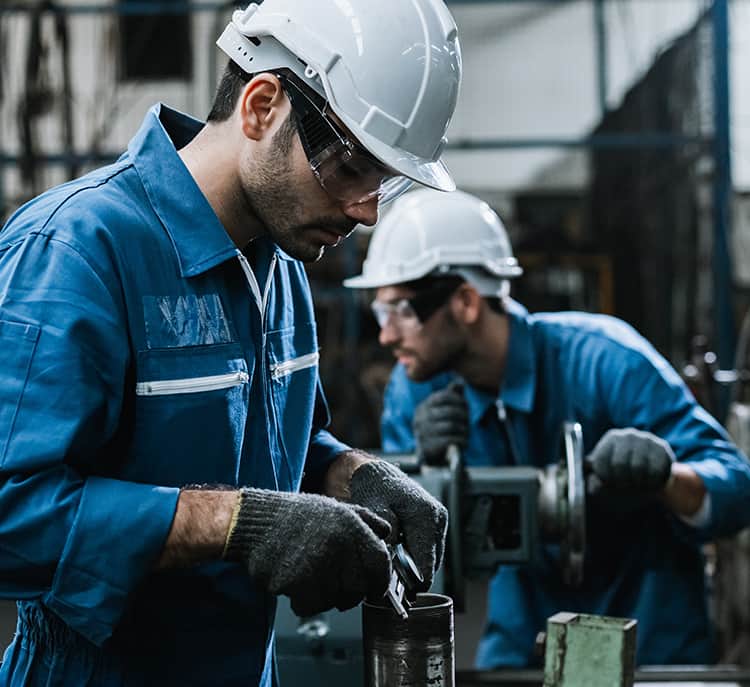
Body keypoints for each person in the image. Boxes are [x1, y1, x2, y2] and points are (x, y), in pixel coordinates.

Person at [0, 2, 462, 685]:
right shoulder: (76, 251)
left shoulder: (279, 260)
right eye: (351, 166)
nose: (367, 210)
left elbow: (269, 444)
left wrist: (351, 473)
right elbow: (11, 512)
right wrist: (236, 523)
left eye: (383, 179)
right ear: (261, 105)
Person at [344, 188, 750, 668]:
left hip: (650, 643)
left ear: (466, 302)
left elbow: (736, 491)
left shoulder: (605, 361)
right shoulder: (413, 392)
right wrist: (424, 472)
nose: (386, 335)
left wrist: (666, 476)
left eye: (401, 311)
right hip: (520, 647)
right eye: (380, 314)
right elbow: (409, 549)